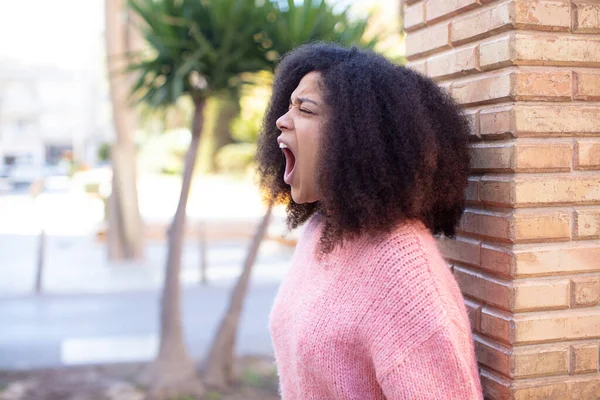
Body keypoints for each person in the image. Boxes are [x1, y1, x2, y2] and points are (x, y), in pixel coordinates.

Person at [256, 43, 483, 400]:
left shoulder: (404, 272)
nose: (281, 120)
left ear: (357, 138)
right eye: (288, 105)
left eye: (305, 109)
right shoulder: (322, 229)